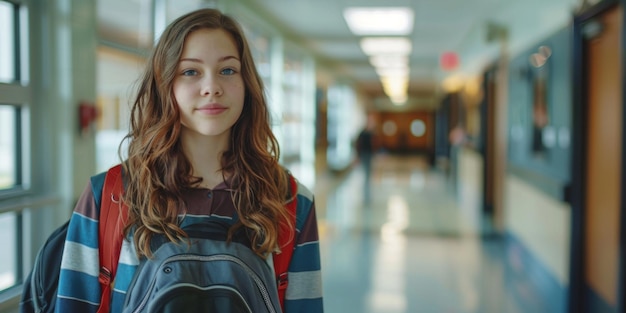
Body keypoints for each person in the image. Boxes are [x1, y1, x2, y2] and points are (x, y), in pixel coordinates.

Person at [54, 8, 323, 313]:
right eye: (190, 72)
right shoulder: (109, 196)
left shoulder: (289, 200)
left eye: (228, 70)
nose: (212, 87)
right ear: (164, 84)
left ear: (247, 84)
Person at [355, 116, 377, 203]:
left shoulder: (372, 133)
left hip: (369, 155)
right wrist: (358, 156)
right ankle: (365, 195)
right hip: (364, 155)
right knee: (366, 174)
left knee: (368, 174)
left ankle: (367, 194)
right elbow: (358, 145)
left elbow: (374, 145)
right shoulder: (362, 133)